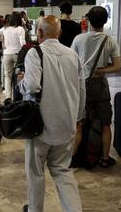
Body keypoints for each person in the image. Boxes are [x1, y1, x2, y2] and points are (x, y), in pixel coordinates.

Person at [18, 15, 84, 212]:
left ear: (39, 33)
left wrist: (20, 81)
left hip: (40, 125)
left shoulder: (35, 53)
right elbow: (81, 90)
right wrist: (78, 118)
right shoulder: (73, 54)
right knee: (63, 171)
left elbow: (31, 85)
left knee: (36, 173)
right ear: (60, 33)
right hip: (66, 124)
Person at [71, 6, 121, 168]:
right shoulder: (110, 40)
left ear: (88, 21)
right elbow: (117, 66)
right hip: (100, 86)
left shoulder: (79, 39)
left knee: (79, 123)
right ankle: (105, 158)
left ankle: (72, 158)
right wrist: (102, 70)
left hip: (82, 85)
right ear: (105, 21)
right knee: (106, 123)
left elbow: (71, 63)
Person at [0, 11, 26, 100]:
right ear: (19, 20)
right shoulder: (20, 29)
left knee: (7, 76)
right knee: (18, 75)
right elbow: (23, 43)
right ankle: (17, 96)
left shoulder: (5, 29)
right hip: (17, 54)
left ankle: (8, 96)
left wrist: (2, 40)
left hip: (6, 54)